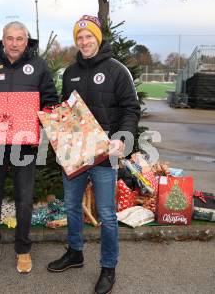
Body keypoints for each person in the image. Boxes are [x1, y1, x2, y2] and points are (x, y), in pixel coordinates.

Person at [46, 15, 141, 293]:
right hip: (75, 155)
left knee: (108, 215)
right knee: (73, 207)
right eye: (80, 37)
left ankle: (108, 267)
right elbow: (67, 111)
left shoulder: (116, 70)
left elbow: (131, 109)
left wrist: (123, 139)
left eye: (89, 36)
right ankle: (75, 253)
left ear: (98, 38)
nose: (84, 41)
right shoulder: (70, 72)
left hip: (104, 154)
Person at [0, 21, 58, 273]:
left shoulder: (39, 66)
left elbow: (51, 100)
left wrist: (43, 116)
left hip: (25, 144)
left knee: (24, 199)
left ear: (26, 40)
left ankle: (23, 249)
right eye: (10, 38)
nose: (14, 43)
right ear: (3, 38)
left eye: (20, 38)